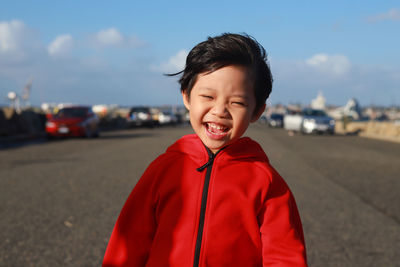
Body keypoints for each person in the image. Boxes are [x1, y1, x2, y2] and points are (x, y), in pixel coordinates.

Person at [103, 33, 308, 267]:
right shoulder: (163, 169)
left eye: (237, 102)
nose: (220, 110)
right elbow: (128, 241)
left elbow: (284, 256)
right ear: (187, 97)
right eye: (208, 96)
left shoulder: (267, 183)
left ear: (257, 111)